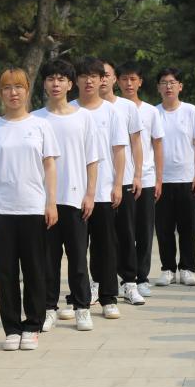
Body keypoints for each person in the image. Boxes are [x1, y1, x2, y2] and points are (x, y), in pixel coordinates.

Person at [0, 68, 60, 352]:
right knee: (5, 273)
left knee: (34, 270)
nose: (13, 93)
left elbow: (50, 166)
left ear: (27, 91)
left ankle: (33, 325)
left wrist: (51, 202)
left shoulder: (40, 126)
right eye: (7, 88)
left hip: (32, 208)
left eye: (18, 87)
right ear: (0, 93)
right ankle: (12, 328)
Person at [34, 59, 100, 332]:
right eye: (51, 79)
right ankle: (48, 308)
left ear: (70, 84)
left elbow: (92, 159)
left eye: (61, 79)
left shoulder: (83, 117)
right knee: (47, 260)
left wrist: (90, 194)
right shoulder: (35, 118)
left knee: (78, 258)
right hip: (43, 202)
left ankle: (82, 308)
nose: (56, 84)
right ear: (44, 84)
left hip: (74, 198)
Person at [71, 57, 128, 319]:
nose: (89, 81)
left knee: (105, 247)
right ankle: (79, 298)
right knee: (76, 249)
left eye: (94, 76)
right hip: (73, 193)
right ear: (76, 80)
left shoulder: (111, 112)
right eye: (84, 76)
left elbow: (119, 151)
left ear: (102, 79)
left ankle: (108, 297)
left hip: (104, 190)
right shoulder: (69, 110)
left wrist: (118, 184)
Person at [154, 68, 195, 286]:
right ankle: (167, 268)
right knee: (163, 228)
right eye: (164, 82)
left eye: (172, 82)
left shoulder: (191, 111)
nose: (168, 86)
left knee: (188, 227)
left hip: (187, 179)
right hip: (161, 180)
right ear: (158, 87)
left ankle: (187, 268)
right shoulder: (153, 113)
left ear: (180, 86)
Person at [117, 62, 165, 299]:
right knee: (122, 231)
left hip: (145, 177)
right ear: (117, 81)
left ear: (140, 82)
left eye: (133, 79)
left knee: (144, 230)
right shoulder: (113, 108)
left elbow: (158, 145)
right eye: (124, 79)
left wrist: (159, 179)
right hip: (121, 179)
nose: (128, 83)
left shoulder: (150, 111)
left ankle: (142, 277)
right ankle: (123, 277)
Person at [101, 60, 146, 305]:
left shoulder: (127, 107)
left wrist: (137, 175)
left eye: (106, 75)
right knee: (99, 238)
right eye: (97, 75)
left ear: (114, 79)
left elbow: (136, 143)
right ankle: (98, 282)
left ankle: (130, 282)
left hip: (124, 179)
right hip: (94, 184)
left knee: (126, 234)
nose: (102, 79)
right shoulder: (80, 108)